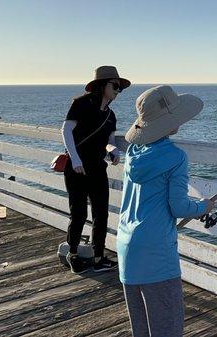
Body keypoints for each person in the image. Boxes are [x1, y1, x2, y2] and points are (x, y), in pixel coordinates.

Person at [118, 85, 214, 337]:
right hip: (157, 255)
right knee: (168, 327)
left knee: (143, 329)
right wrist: (204, 206)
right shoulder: (176, 156)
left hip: (127, 249)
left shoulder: (133, 151)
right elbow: (179, 207)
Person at [61, 65, 130, 274]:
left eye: (120, 88)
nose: (118, 91)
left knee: (101, 214)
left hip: (98, 168)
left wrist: (113, 150)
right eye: (115, 86)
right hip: (77, 168)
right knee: (79, 212)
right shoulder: (81, 104)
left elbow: (108, 140)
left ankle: (99, 257)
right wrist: (74, 159)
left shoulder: (111, 115)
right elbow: (65, 130)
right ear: (102, 85)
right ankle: (73, 253)